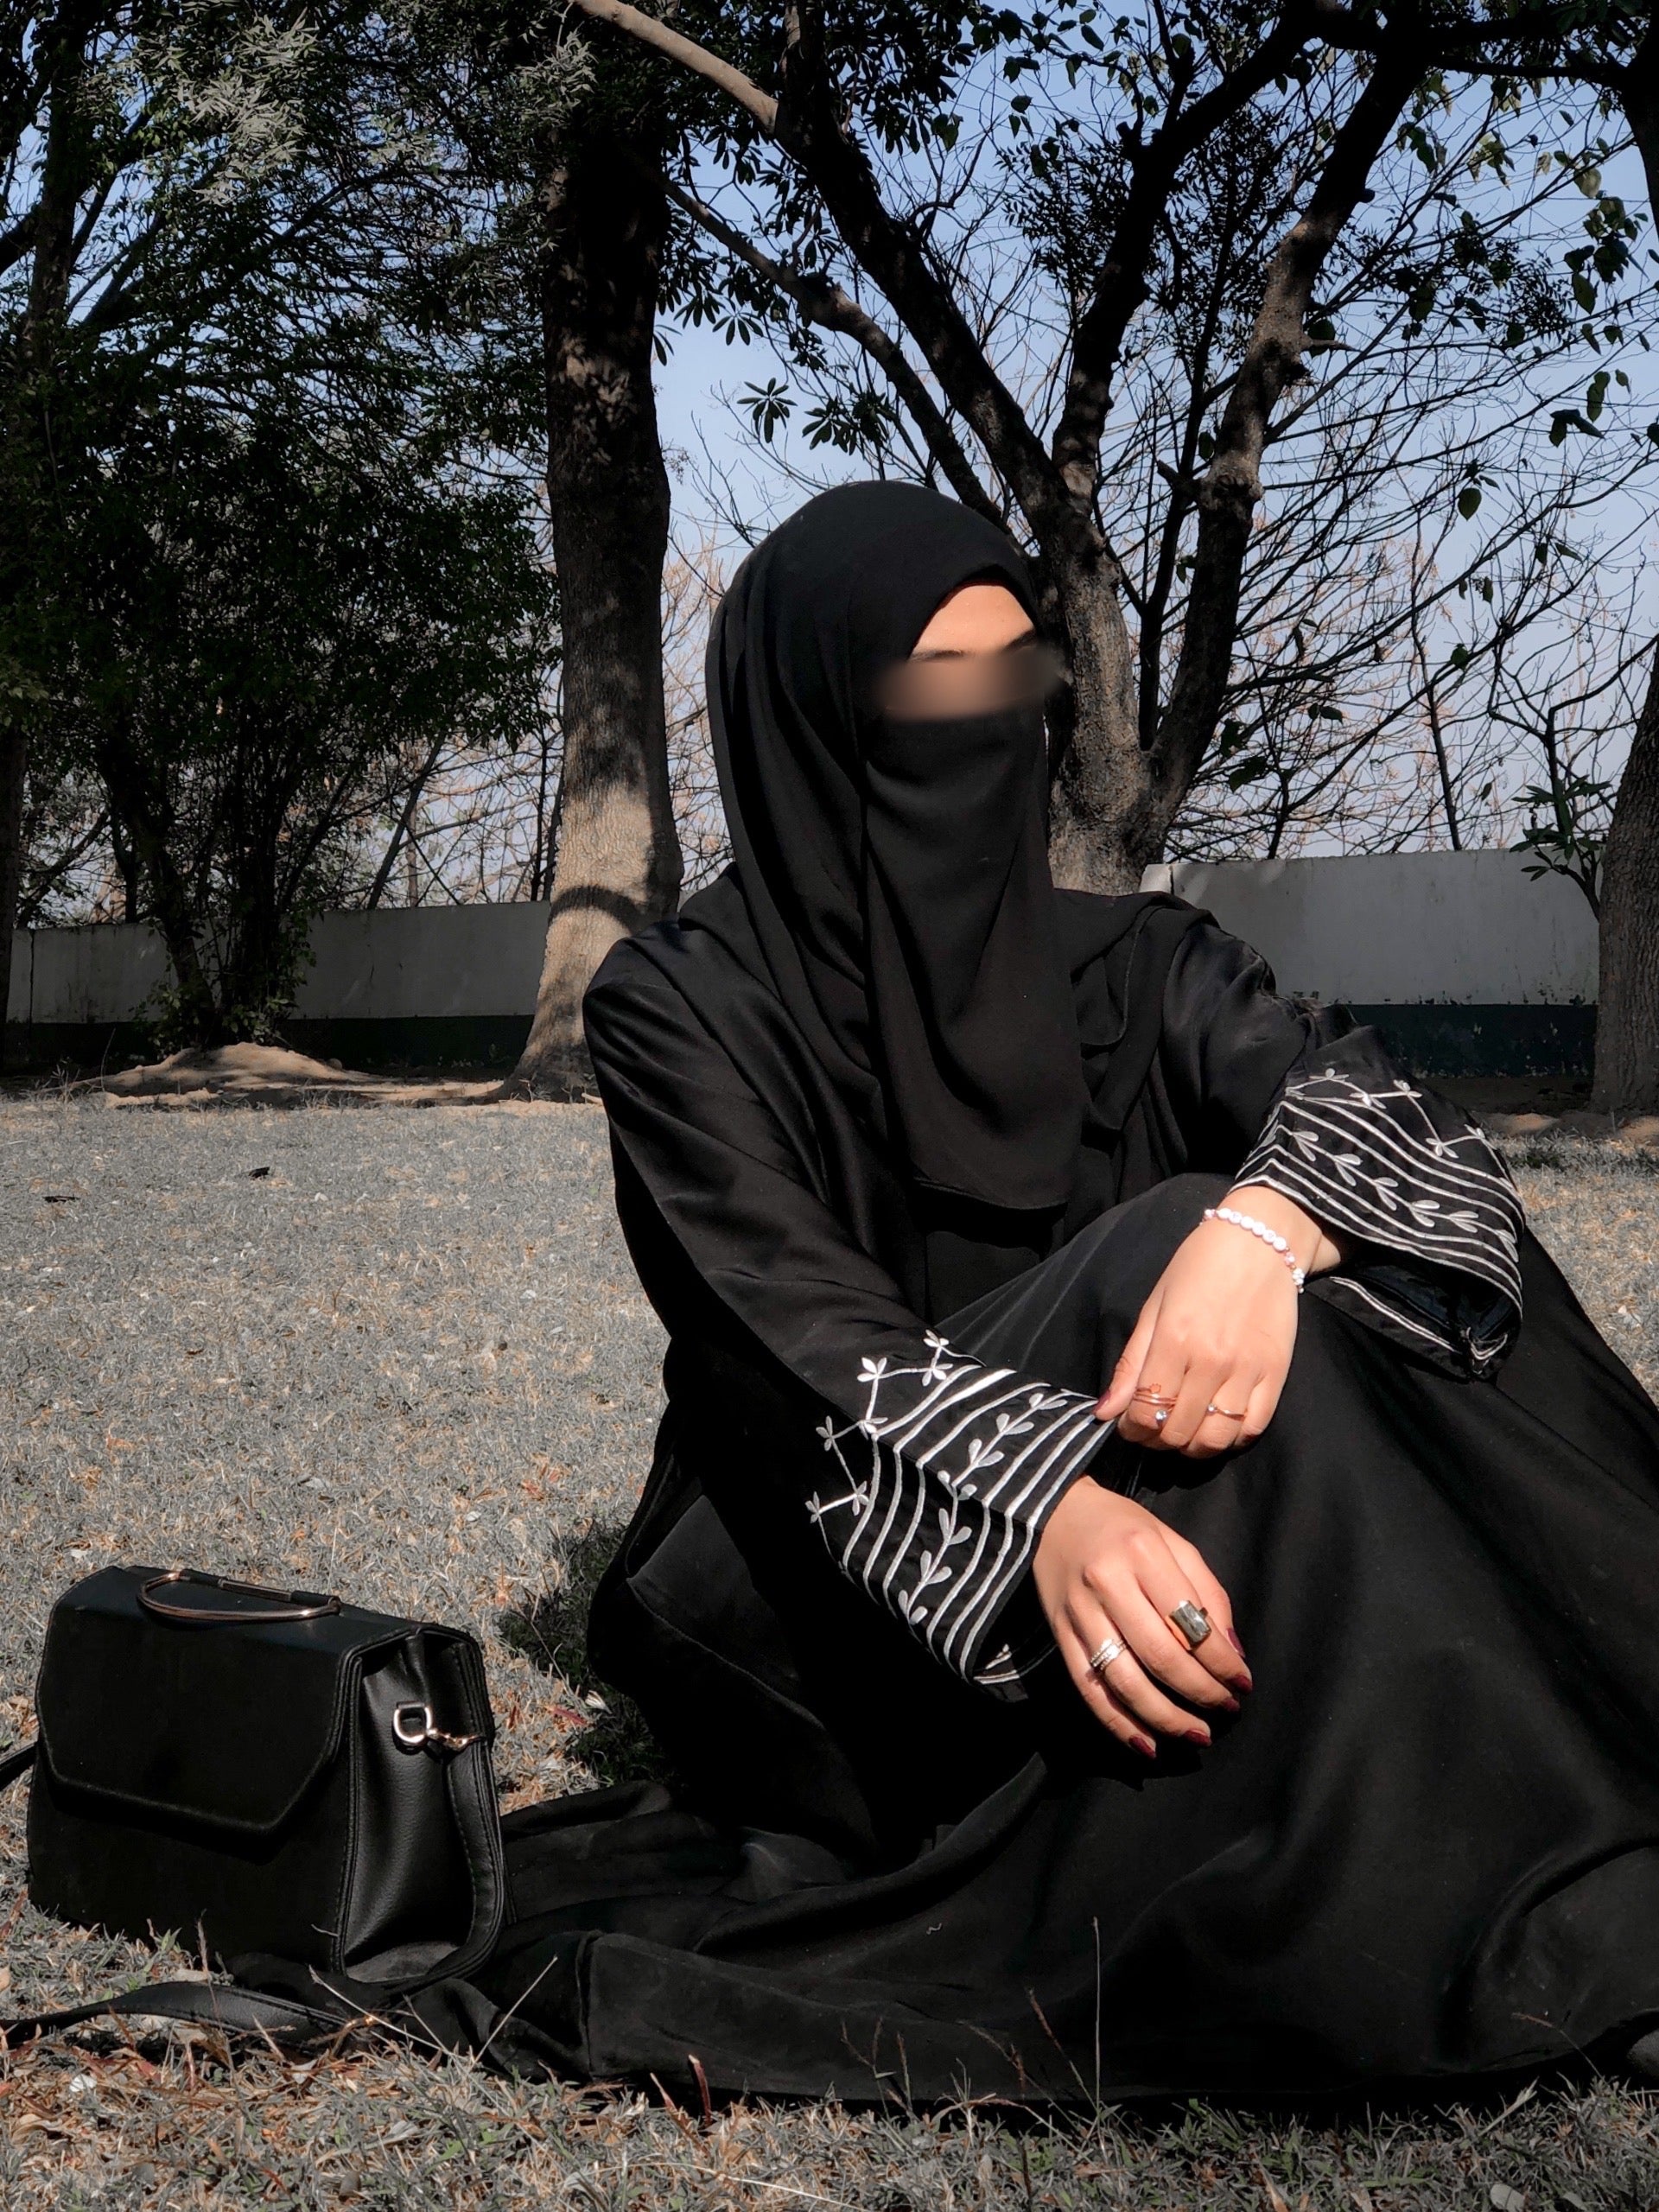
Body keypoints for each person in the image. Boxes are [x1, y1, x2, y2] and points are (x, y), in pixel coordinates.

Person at [472, 482, 1659, 2104]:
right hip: (838, 1595)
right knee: (1174, 1231)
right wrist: (1049, 1509)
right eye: (936, 693)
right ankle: (1550, 1910)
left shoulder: (1146, 965)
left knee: (1361, 1264)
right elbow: (788, 1332)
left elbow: (1403, 1135)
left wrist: (1269, 1235)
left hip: (1178, 1527)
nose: (995, 735)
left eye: (1023, 683)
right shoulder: (684, 1010)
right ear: (817, 718)